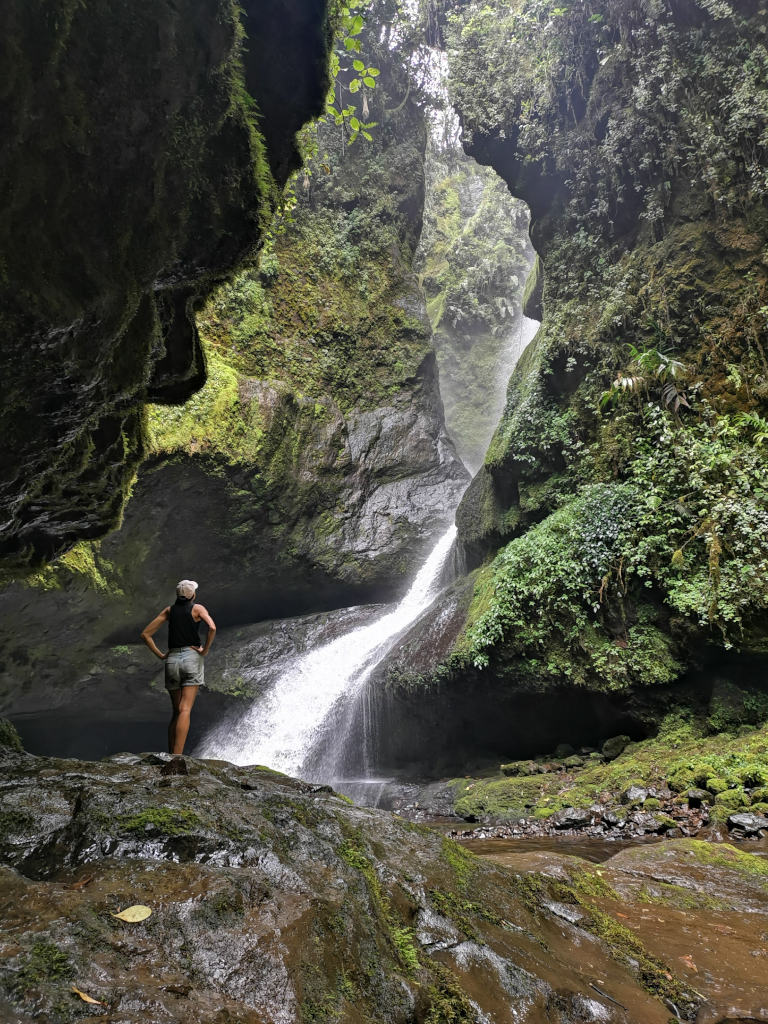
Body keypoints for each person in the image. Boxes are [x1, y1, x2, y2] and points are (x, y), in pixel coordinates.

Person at [141, 579, 216, 756]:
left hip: (172, 660)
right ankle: (177, 757)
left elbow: (145, 634)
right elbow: (212, 627)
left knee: (176, 711)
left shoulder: (169, 610)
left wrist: (160, 655)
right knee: (185, 709)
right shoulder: (198, 609)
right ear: (193, 595)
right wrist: (204, 650)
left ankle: (169, 754)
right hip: (192, 659)